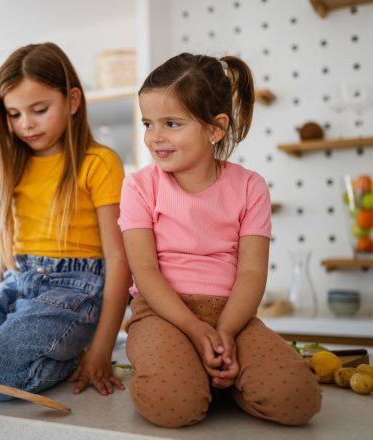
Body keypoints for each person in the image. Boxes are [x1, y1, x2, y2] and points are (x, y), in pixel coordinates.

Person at [119, 52, 321, 428]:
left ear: (215, 128)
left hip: (234, 314)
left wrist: (225, 331)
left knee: (298, 401)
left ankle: (216, 375)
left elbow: (251, 273)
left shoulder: (250, 186)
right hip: (163, 312)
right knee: (172, 406)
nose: (154, 137)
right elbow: (144, 271)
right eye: (148, 123)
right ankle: (203, 375)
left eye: (171, 123)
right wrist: (196, 330)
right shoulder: (139, 186)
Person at [0, 42, 131, 400]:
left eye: (39, 110)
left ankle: (72, 355)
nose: (26, 124)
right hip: (15, 283)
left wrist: (102, 351)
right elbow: (2, 246)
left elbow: (119, 260)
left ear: (73, 101)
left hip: (76, 291)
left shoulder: (99, 163)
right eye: (13, 114)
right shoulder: (15, 165)